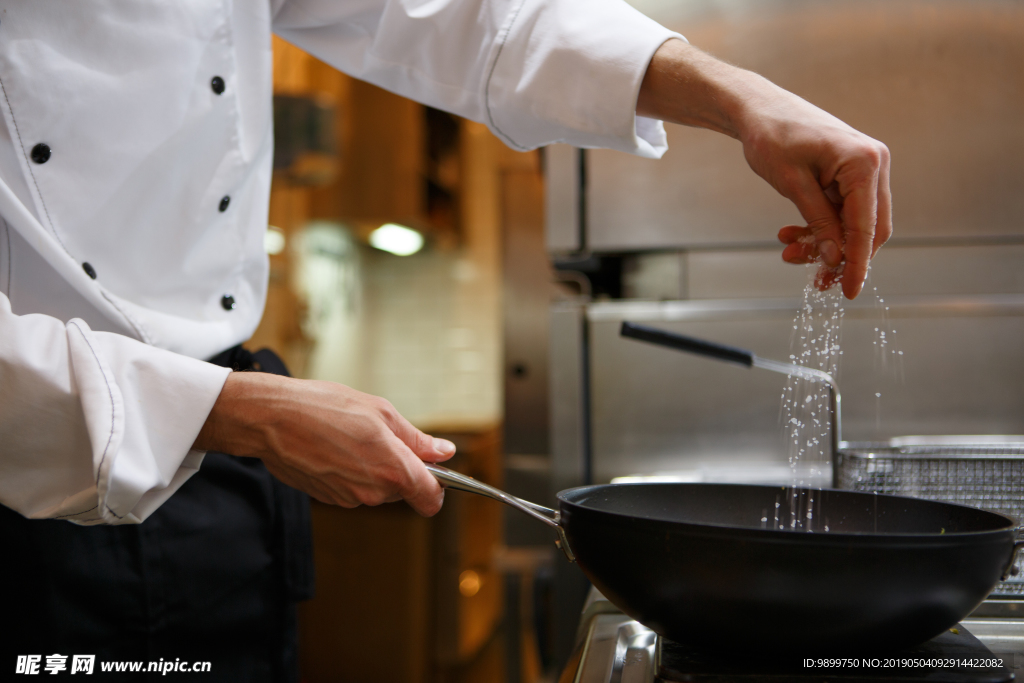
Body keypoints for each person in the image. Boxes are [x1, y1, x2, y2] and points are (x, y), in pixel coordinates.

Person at [0, 0, 891, 679]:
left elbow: (459, 14)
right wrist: (236, 412)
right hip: (34, 490)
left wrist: (740, 95)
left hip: (216, 488)